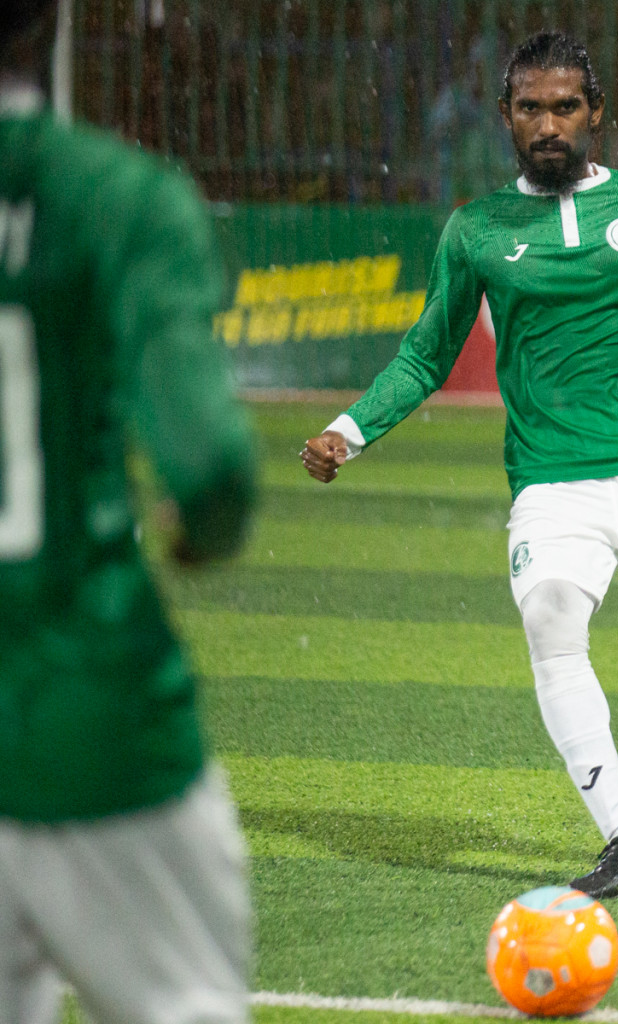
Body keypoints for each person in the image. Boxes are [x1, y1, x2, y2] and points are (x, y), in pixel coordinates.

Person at [301, 31, 618, 899]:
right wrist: (350, 429)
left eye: (565, 107)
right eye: (531, 108)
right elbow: (423, 356)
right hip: (553, 480)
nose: (549, 124)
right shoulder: (478, 228)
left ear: (596, 113)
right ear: (507, 118)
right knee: (553, 616)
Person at [0, 2, 259, 1022]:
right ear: (43, 27)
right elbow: (210, 468)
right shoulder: (117, 198)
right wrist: (201, 532)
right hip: (87, 710)